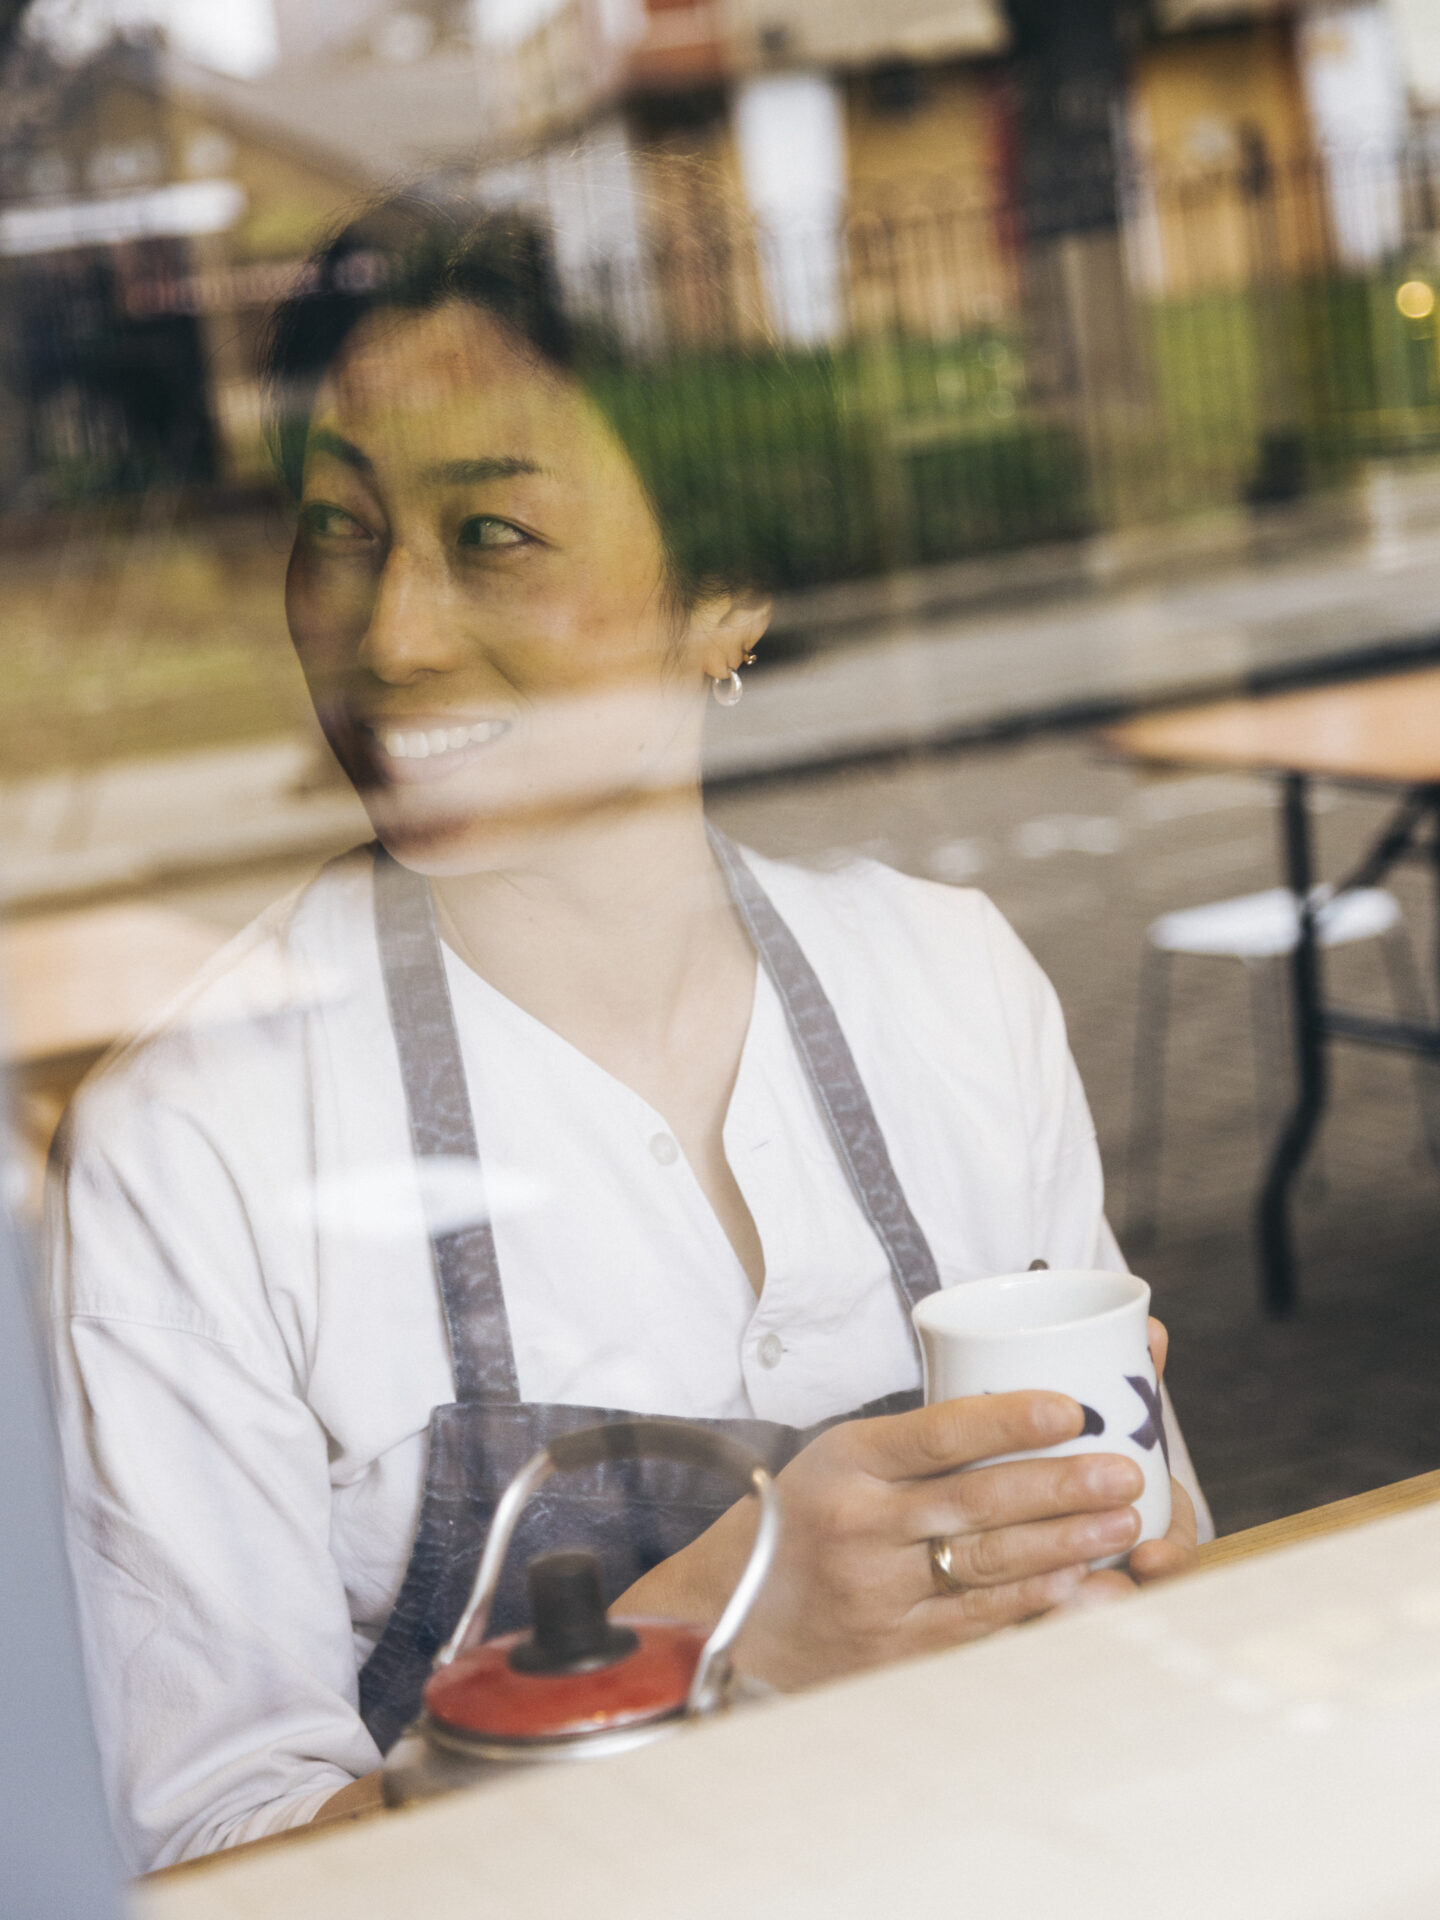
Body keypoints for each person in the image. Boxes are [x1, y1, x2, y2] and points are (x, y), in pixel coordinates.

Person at [46, 197, 1208, 1873]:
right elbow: (212, 1871)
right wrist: (719, 1654)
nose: (392, 639)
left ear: (721, 596)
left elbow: (1169, 1597)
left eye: (492, 533)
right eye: (338, 526)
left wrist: (1107, 1545)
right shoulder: (196, 1141)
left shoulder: (947, 984)